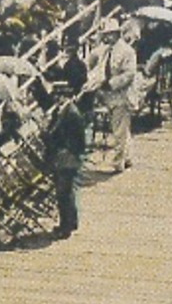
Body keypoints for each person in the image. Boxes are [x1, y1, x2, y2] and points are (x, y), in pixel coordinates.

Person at [86, 19, 138, 173]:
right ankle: (127, 157)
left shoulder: (127, 51)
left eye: (108, 35)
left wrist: (112, 83)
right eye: (105, 35)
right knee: (121, 127)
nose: (106, 38)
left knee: (119, 129)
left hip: (122, 94)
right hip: (110, 95)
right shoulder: (107, 51)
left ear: (116, 34)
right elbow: (99, 68)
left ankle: (118, 162)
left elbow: (129, 74)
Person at [45, 93, 88, 238]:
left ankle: (65, 227)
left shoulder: (71, 114)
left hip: (68, 158)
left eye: (60, 97)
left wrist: (66, 150)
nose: (58, 100)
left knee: (63, 193)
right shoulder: (64, 111)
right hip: (66, 156)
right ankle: (71, 221)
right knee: (68, 191)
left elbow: (77, 141)